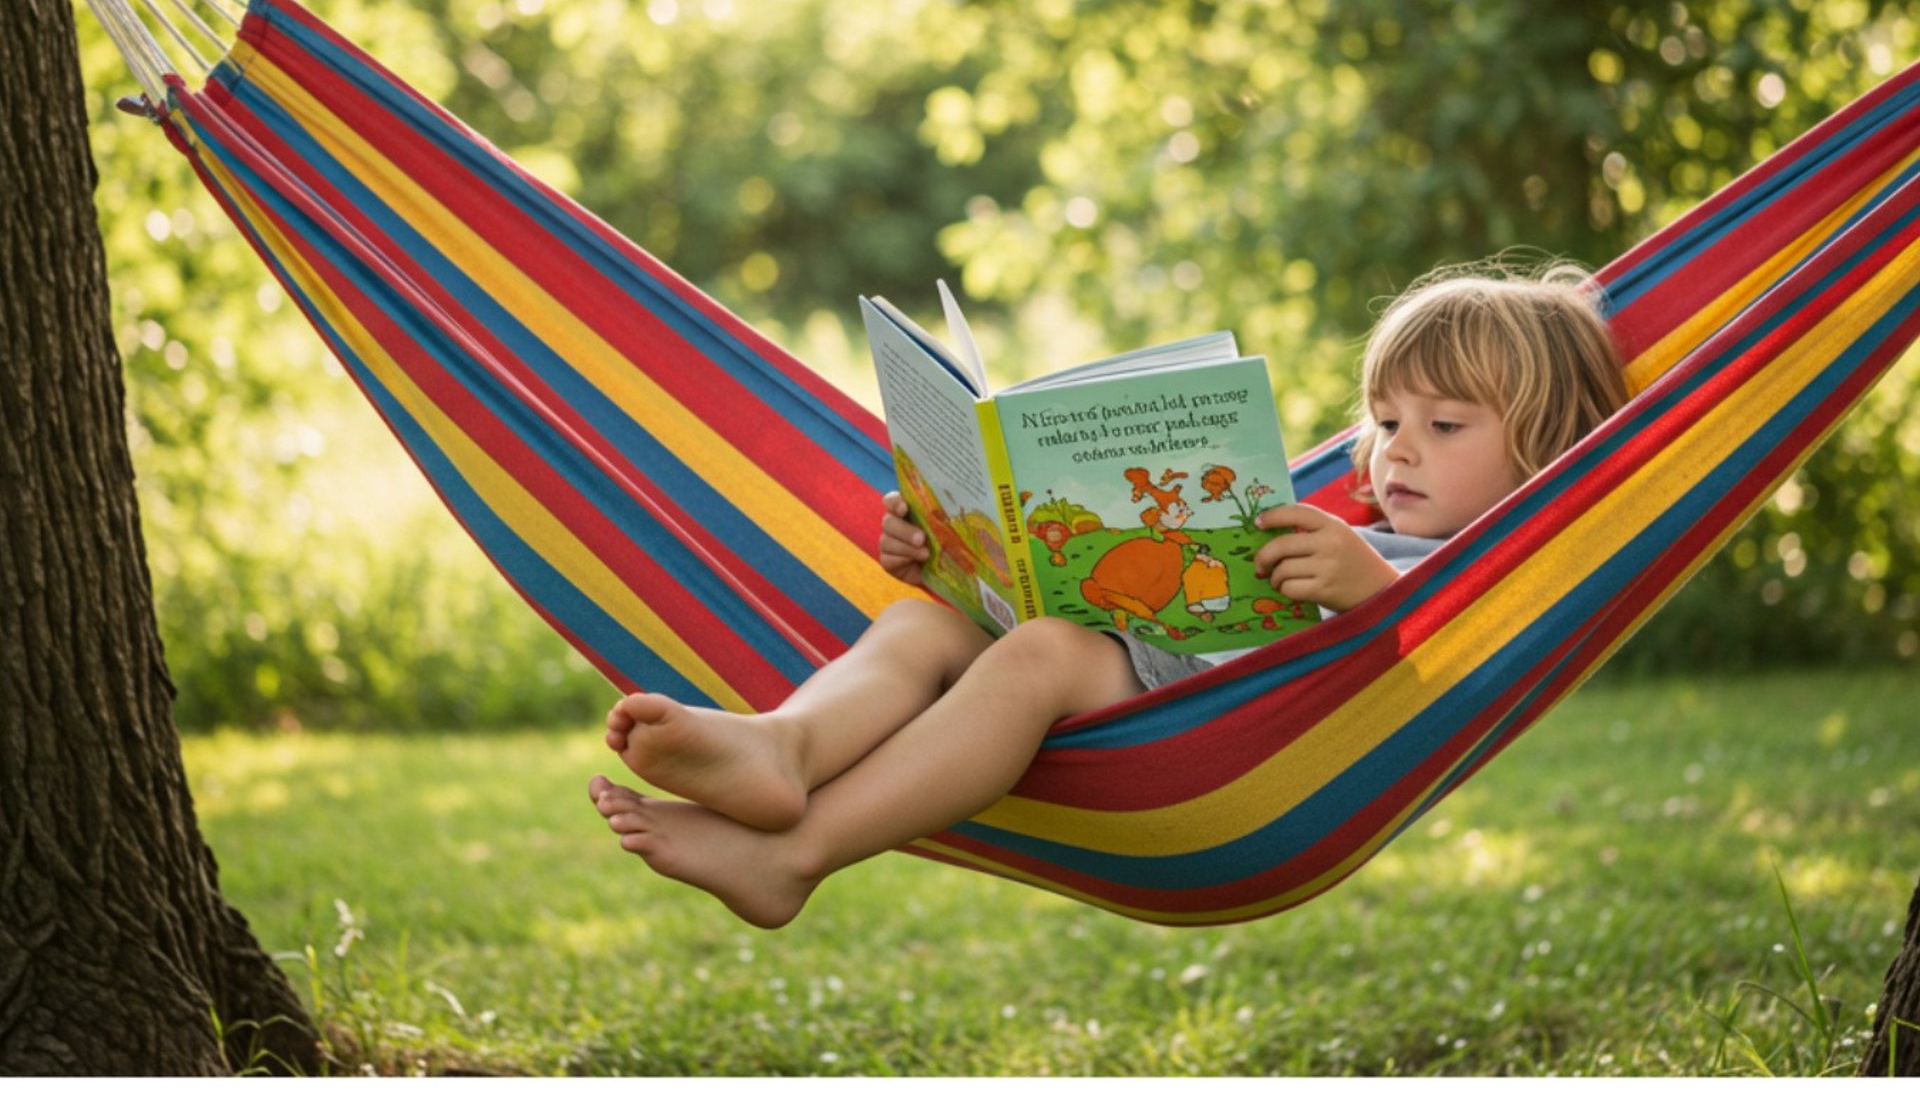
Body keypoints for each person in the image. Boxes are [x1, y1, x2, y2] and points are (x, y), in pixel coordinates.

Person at [586, 262, 1629, 927]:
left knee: (1041, 652)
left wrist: (1374, 603)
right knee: (922, 618)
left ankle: (799, 855)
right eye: (1387, 419)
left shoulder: (1476, 577)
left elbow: (1437, 676)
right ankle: (787, 747)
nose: (1398, 449)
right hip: (1145, 668)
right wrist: (951, 545)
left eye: (1443, 427)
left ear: (1546, 452)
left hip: (1223, 751)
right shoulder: (1360, 524)